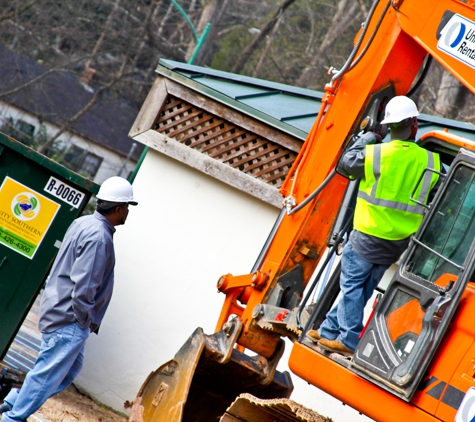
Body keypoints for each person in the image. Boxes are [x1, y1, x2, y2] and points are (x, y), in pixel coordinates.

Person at [306, 96, 441, 356]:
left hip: (366, 236)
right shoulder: (432, 162)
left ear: (389, 126)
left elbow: (346, 164)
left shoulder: (377, 153)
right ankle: (328, 332)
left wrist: (369, 135)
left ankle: (347, 340)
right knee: (359, 290)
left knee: (352, 288)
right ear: (414, 124)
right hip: (396, 243)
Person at [0, 176, 138, 421]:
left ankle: (13, 400)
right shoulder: (99, 237)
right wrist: (84, 321)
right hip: (70, 318)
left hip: (60, 309)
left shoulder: (84, 223)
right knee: (46, 376)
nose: (127, 211)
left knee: (66, 372)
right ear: (118, 209)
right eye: (127, 207)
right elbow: (84, 289)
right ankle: (13, 418)